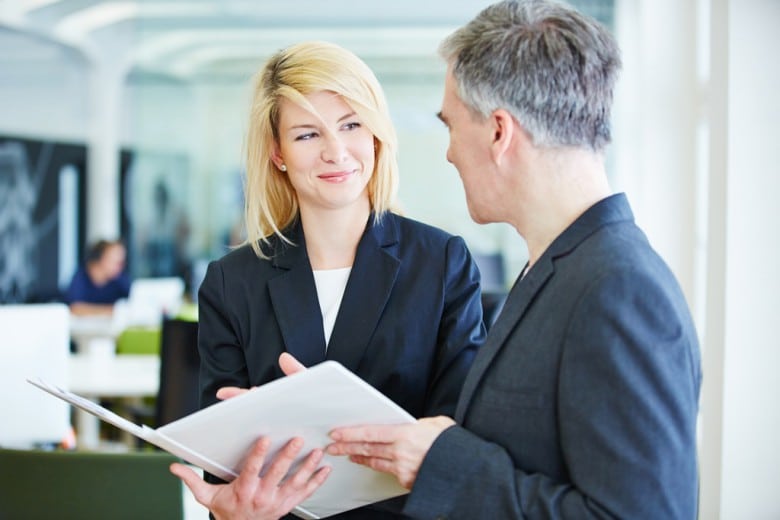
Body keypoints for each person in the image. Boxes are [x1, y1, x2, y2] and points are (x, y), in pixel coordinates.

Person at [321, 1, 703, 518]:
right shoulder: (559, 268)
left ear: (499, 132)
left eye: (451, 126)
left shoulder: (618, 290)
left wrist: (441, 463)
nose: (450, 152)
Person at [170, 40, 486, 519]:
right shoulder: (231, 283)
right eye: (306, 135)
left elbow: (458, 433)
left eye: (351, 125)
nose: (336, 151)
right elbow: (224, 473)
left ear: (377, 135)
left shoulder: (441, 263)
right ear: (277, 153)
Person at [65, 239, 131, 316]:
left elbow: (133, 300)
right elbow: (75, 308)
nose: (120, 266)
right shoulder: (81, 276)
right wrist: (111, 310)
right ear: (100, 258)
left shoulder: (119, 278)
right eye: (116, 261)